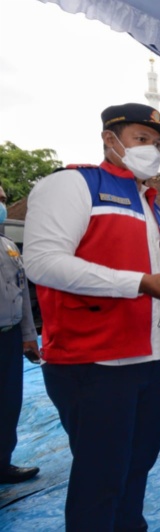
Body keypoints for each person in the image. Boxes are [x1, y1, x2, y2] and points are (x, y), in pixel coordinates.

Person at [23, 103, 160, 530]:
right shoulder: (74, 185)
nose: (152, 150)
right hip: (96, 363)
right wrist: (139, 282)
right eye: (142, 139)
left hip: (154, 361)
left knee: (137, 467)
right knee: (100, 480)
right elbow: (42, 263)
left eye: (157, 144)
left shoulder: (150, 204)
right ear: (109, 138)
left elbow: (142, 270)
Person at [0, 185, 41, 485]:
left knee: (8, 402)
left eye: (2, 199)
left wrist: (29, 335)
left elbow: (23, 293)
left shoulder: (8, 246)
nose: (2, 204)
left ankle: (3, 463)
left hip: (10, 336)